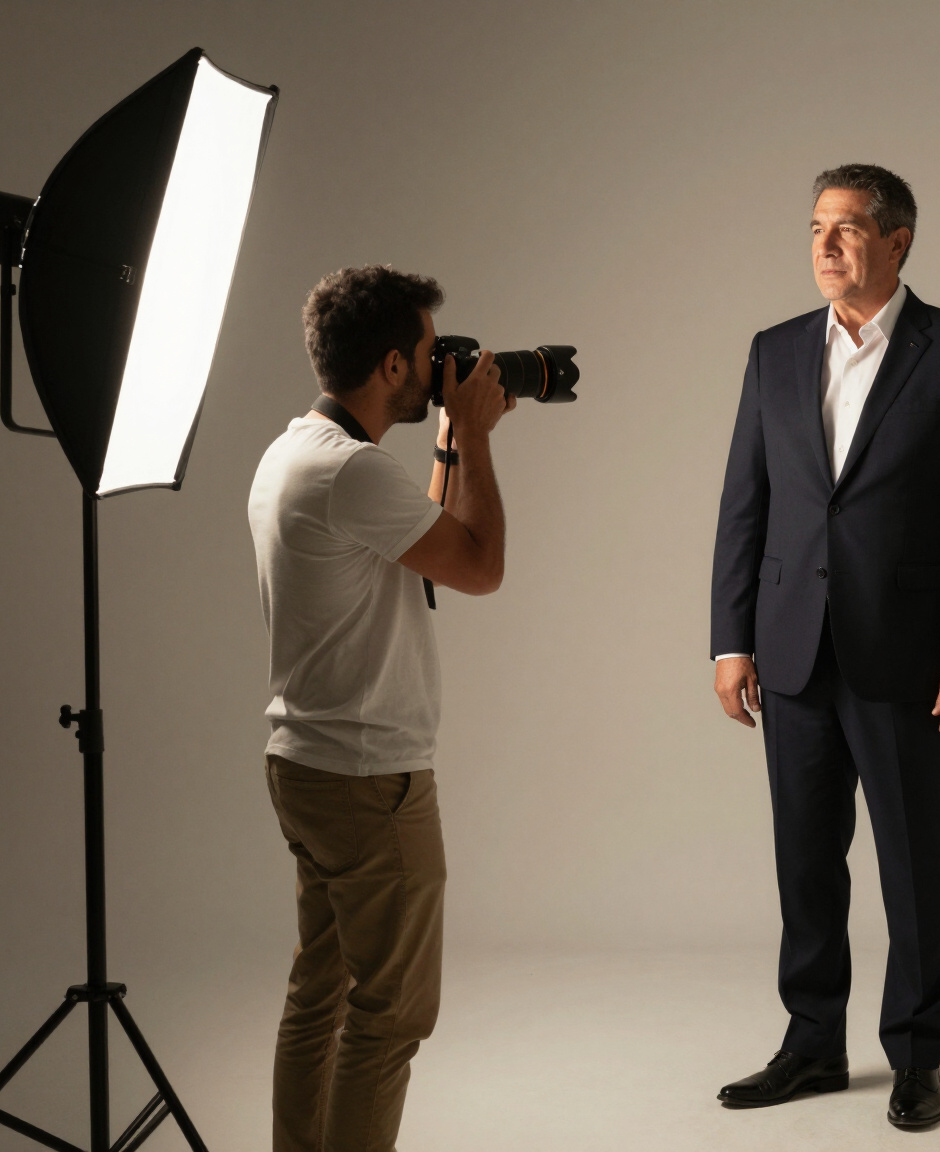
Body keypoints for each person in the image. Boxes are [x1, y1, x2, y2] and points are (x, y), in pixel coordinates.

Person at [709, 165, 940, 1130]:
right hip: (791, 650)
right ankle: (812, 1044)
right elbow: (745, 503)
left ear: (898, 241)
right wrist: (729, 640)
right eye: (816, 227)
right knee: (805, 860)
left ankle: (917, 1055)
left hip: (909, 661)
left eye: (847, 228)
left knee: (913, 866)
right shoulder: (773, 351)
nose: (826, 244)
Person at [247, 265, 514, 1152]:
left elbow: (417, 545)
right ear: (393, 365)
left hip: (306, 768)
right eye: (432, 355)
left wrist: (445, 442)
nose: (442, 369)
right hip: (372, 782)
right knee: (391, 1014)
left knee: (318, 994)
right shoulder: (351, 472)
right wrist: (475, 436)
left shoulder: (297, 452)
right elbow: (478, 566)